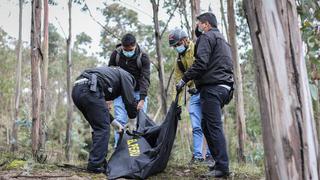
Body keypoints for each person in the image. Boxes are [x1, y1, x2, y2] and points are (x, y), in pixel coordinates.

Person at [176, 12, 234, 178]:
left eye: (199, 24)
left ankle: (223, 167)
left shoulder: (207, 37)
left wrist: (184, 80)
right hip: (224, 88)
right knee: (206, 124)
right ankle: (218, 162)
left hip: (213, 88)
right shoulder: (223, 40)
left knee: (213, 126)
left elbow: (200, 63)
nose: (197, 27)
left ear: (206, 24)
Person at [72, 66, 138, 173]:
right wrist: (132, 120)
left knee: (98, 126)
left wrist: (114, 123)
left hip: (77, 90)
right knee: (102, 129)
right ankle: (95, 165)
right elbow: (130, 101)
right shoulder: (127, 77)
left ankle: (99, 161)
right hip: (90, 89)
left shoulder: (110, 74)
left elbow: (99, 108)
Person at [168, 28, 212, 165]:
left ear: (184, 40)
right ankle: (198, 156)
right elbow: (178, 82)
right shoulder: (179, 60)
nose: (176, 47)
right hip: (194, 94)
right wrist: (177, 104)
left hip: (206, 90)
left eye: (177, 44)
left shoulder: (198, 48)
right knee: (196, 126)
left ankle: (211, 156)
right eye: (174, 46)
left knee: (210, 124)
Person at [108, 33, 150, 145]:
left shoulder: (143, 57)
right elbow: (110, 76)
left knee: (139, 123)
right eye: (125, 49)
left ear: (135, 45)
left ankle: (137, 154)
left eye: (130, 50)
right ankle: (119, 150)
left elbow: (145, 78)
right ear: (122, 46)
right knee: (120, 120)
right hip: (120, 93)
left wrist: (142, 99)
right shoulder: (116, 55)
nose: (127, 52)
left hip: (137, 92)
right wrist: (109, 98)